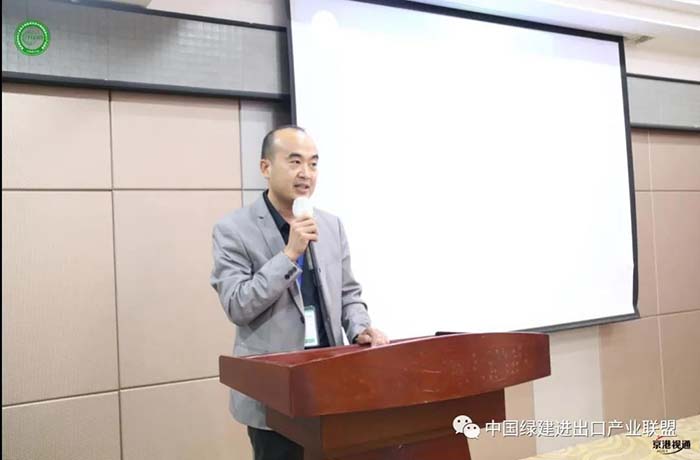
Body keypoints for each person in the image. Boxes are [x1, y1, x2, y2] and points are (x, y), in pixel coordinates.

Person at [210, 125, 389, 460]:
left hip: (330, 386)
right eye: (295, 162)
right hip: (274, 396)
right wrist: (289, 254)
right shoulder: (233, 230)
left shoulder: (331, 225)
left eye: (313, 163)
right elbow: (237, 305)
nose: (306, 173)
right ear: (266, 167)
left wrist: (359, 328)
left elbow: (348, 293)